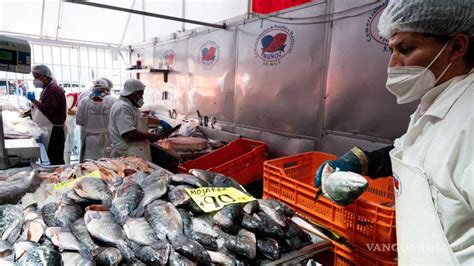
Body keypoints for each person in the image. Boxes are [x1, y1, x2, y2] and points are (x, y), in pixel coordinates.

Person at [314, 0, 473, 264]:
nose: (393, 64)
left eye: (406, 49)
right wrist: (362, 162)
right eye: (391, 50)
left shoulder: (468, 118)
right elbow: (419, 157)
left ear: (456, 47)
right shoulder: (434, 102)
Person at [109, 78, 170, 161]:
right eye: (141, 94)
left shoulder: (130, 105)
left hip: (134, 151)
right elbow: (129, 133)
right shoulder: (122, 107)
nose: (141, 97)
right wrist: (151, 136)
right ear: (134, 94)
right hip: (127, 154)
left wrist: (160, 122)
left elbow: (141, 118)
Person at [26, 64, 67, 165]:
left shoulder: (53, 90)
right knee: (50, 158)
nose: (35, 80)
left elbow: (48, 110)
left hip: (54, 130)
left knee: (55, 160)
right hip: (49, 129)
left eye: (37, 77)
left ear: (45, 76)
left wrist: (33, 100)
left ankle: (59, 179)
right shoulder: (47, 88)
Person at [76, 78, 117, 162]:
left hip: (91, 140)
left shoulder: (83, 101)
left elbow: (80, 121)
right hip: (109, 139)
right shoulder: (114, 101)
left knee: (91, 165)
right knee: (107, 166)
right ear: (107, 89)